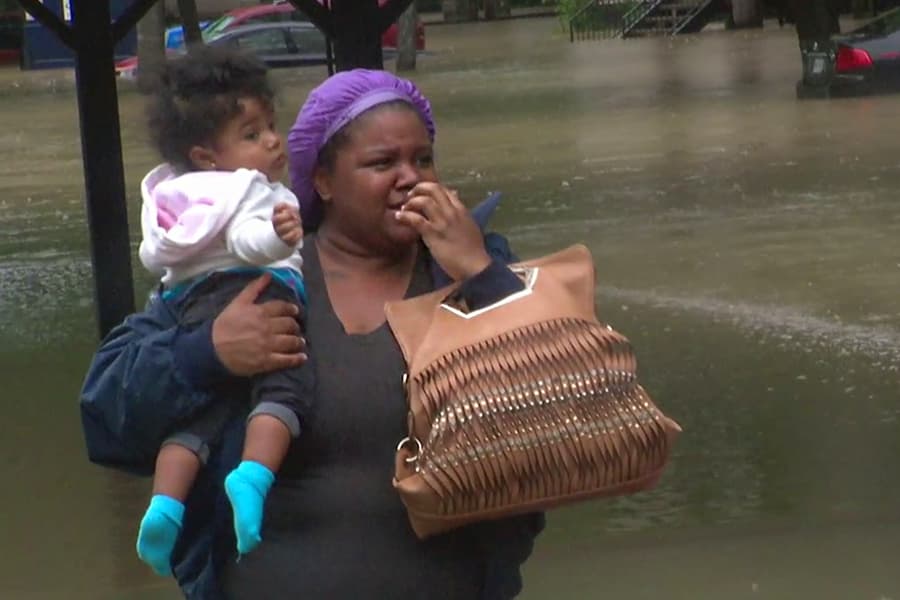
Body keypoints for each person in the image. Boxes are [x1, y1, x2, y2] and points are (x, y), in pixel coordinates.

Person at [80, 68, 543, 599]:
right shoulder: (249, 274)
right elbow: (105, 415)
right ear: (322, 180)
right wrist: (206, 353)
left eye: (422, 159)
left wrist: (479, 271)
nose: (410, 177)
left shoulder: (469, 267)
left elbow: (567, 396)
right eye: (381, 163)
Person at [134, 46, 312, 576]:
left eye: (272, 126)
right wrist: (278, 239)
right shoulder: (248, 190)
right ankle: (253, 476)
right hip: (259, 290)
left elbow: (155, 259)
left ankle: (164, 504)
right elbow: (247, 238)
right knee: (284, 387)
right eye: (253, 134)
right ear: (209, 156)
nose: (274, 140)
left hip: (189, 302)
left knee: (196, 417)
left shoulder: (174, 196)